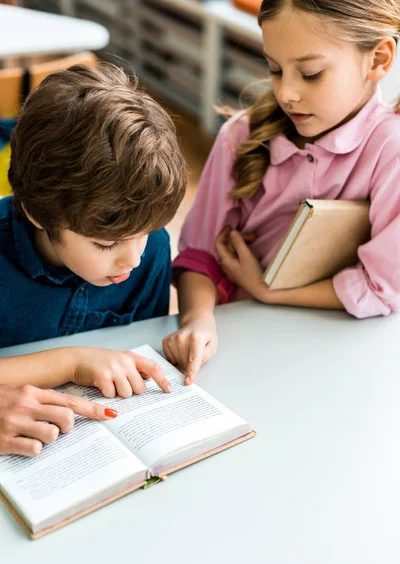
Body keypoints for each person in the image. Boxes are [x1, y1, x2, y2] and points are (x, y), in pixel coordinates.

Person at [163, 0, 400, 384]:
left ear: (378, 60)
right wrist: (199, 320)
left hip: (341, 357)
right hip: (241, 346)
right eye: (274, 69)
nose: (286, 92)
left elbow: (382, 287)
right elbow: (199, 254)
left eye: (310, 73)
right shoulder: (239, 137)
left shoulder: (391, 150)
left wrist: (268, 291)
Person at [0, 62, 186, 454]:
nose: (132, 260)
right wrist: (71, 361)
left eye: (144, 235)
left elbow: (138, 350)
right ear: (37, 213)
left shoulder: (149, 251)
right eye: (106, 244)